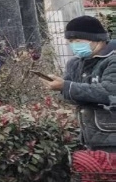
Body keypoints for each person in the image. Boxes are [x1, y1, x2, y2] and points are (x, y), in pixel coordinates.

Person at [42, 15, 116, 152]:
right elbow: (69, 96)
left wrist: (67, 87)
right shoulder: (75, 63)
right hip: (90, 136)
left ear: (96, 39)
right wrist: (60, 88)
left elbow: (109, 91)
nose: (74, 45)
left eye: (78, 40)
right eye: (71, 41)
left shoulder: (112, 60)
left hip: (112, 136)